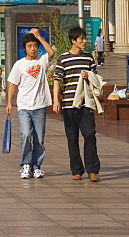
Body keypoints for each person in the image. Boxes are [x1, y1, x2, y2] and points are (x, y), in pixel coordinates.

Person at [53, 25, 101, 182]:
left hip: (86, 103)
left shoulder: (88, 57)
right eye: (81, 39)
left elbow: (96, 78)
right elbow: (57, 81)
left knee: (89, 135)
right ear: (73, 41)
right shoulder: (63, 58)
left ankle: (92, 170)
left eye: (84, 38)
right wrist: (56, 100)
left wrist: (89, 75)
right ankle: (76, 170)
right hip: (69, 104)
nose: (84, 41)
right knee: (72, 138)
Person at [6, 28, 55, 180]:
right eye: (29, 46)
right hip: (24, 106)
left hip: (40, 106)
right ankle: (26, 164)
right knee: (26, 134)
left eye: (35, 46)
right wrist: (9, 103)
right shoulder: (19, 65)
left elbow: (51, 53)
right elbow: (13, 84)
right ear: (25, 48)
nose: (33, 48)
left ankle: (36, 165)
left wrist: (39, 37)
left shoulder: (42, 61)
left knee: (39, 138)